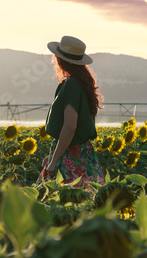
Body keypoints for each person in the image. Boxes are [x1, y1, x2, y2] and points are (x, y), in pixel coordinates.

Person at [40, 36, 106, 188]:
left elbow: (70, 127)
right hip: (82, 153)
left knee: (60, 200)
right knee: (86, 200)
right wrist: (51, 157)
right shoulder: (82, 83)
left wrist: (54, 161)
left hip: (72, 156)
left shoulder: (72, 85)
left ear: (60, 60)